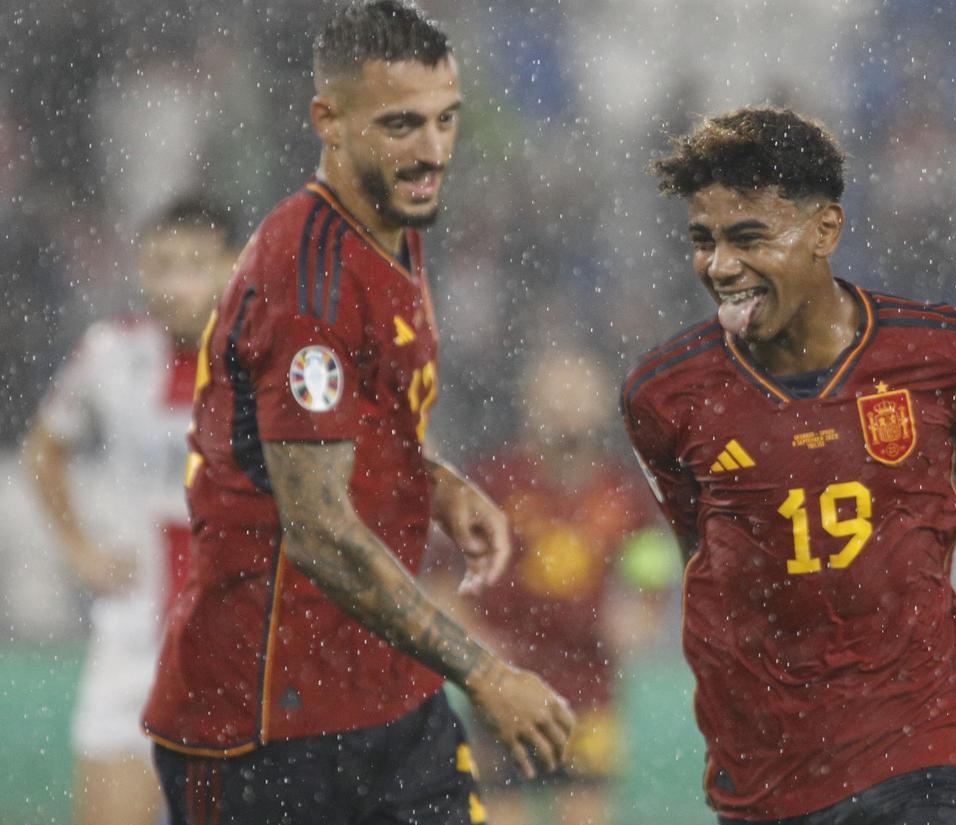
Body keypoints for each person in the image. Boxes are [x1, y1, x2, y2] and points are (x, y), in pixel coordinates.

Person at [142, 4, 574, 824]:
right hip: (262, 724)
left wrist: (437, 481)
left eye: (447, 119)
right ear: (328, 121)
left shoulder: (392, 219)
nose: (434, 151)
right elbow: (319, 530)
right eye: (403, 124)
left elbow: (368, 414)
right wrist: (485, 671)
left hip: (381, 691)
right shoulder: (308, 284)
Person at [621, 107, 956, 825]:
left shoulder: (947, 354)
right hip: (765, 775)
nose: (721, 266)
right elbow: (703, 555)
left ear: (825, 231)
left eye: (749, 238)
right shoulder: (665, 396)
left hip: (921, 750)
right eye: (703, 241)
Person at [23, 196, 239, 825]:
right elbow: (43, 451)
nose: (174, 284)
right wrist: (78, 549)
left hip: (237, 646)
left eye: (193, 265)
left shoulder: (267, 362)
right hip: (133, 640)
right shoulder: (111, 354)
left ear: (233, 266)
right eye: (160, 265)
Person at [428, 348, 675, 825]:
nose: (566, 408)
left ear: (602, 405)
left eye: (578, 395)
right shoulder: (494, 481)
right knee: (501, 813)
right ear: (529, 403)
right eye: (554, 395)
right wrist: (475, 646)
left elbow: (653, 576)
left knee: (585, 811)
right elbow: (441, 581)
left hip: (588, 688)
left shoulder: (624, 495)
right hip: (504, 689)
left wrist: (640, 619)